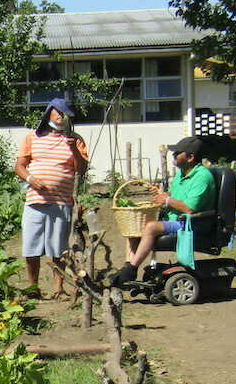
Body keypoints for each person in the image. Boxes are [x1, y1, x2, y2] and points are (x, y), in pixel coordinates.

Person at [111, 136, 216, 285]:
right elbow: (173, 196)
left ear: (191, 157)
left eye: (177, 153)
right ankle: (128, 268)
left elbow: (189, 208)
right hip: (174, 219)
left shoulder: (202, 177)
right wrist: (162, 195)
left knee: (150, 227)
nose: (173, 155)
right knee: (134, 228)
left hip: (190, 224)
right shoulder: (181, 173)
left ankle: (131, 270)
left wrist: (166, 200)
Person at [14, 97, 89, 299]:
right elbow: (19, 166)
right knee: (31, 247)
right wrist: (31, 178)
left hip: (62, 201)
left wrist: (73, 148)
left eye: (65, 114)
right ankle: (33, 288)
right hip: (35, 201)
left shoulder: (76, 139)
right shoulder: (32, 137)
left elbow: (81, 169)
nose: (62, 116)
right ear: (50, 113)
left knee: (58, 249)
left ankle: (59, 288)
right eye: (59, 112)